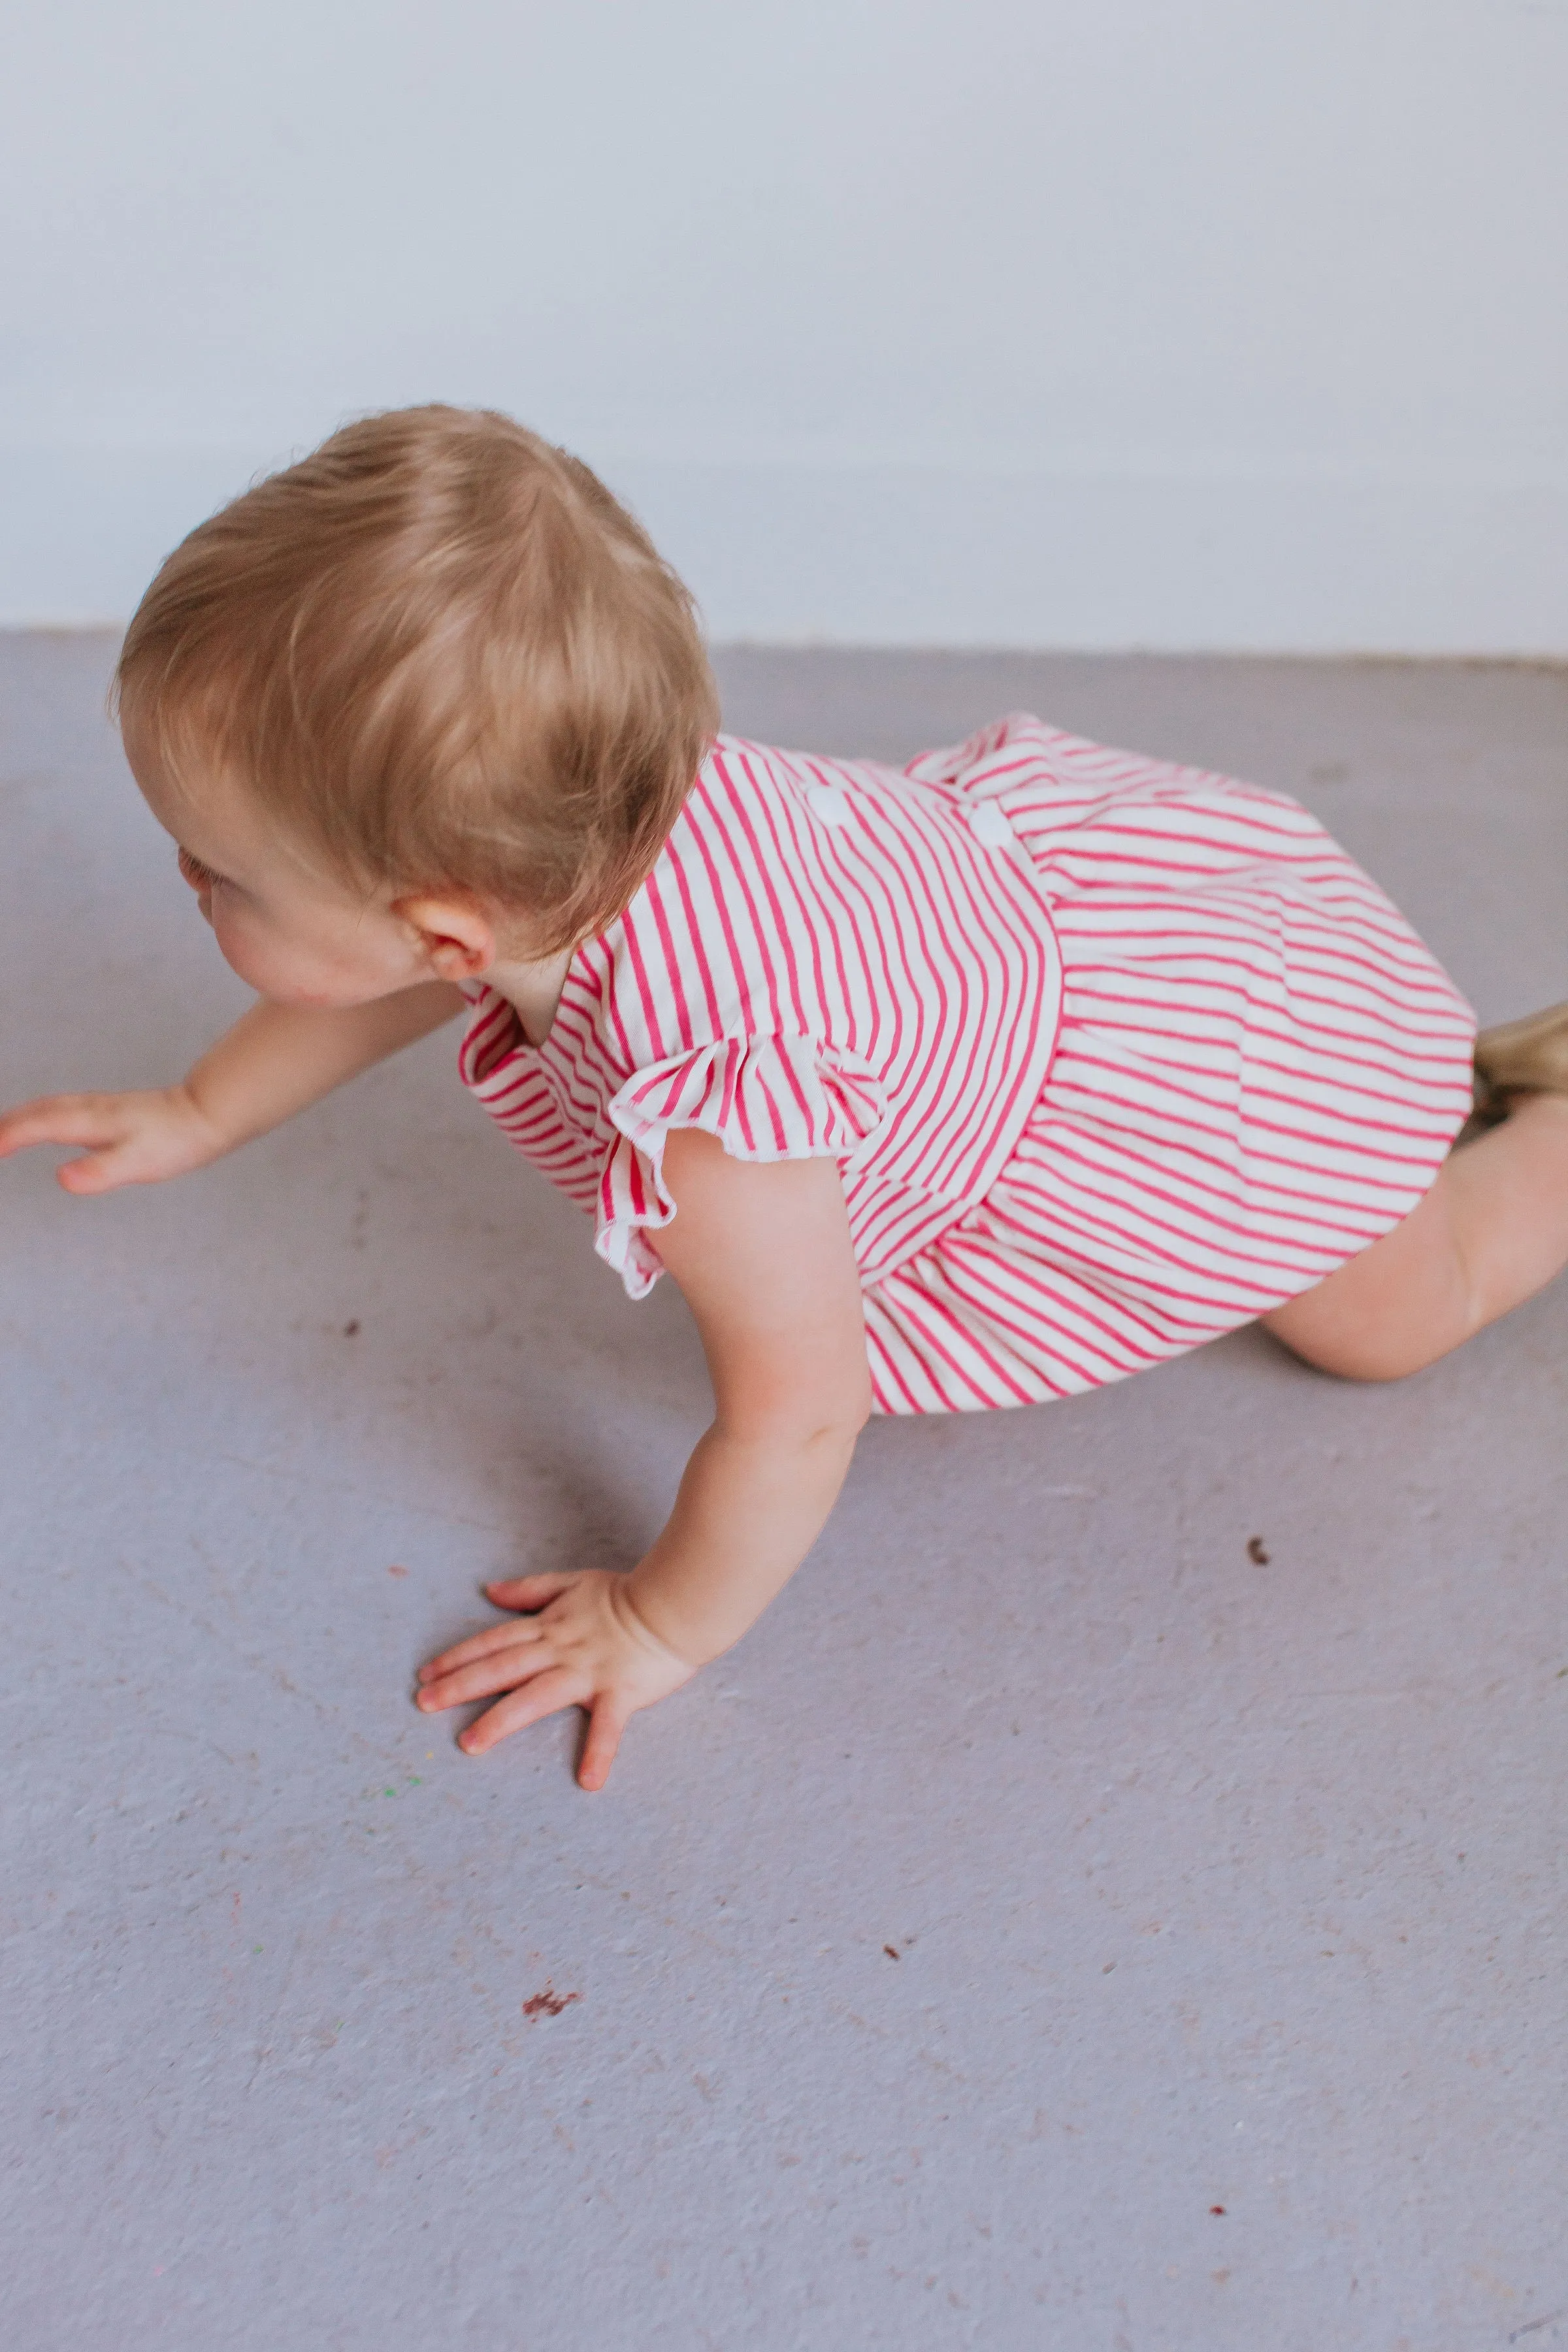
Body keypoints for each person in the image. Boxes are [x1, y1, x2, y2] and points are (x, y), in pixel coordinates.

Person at [5, 406, 1567, 1792]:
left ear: (445, 924)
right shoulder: (553, 836)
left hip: (1202, 1084)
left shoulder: (719, 1126)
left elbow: (798, 1415)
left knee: (1387, 1315)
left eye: (216, 871)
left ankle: (1515, 1127)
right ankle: (1468, 1082)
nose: (187, 884)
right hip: (1055, 935)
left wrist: (659, 1622)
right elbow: (405, 983)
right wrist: (202, 1108)